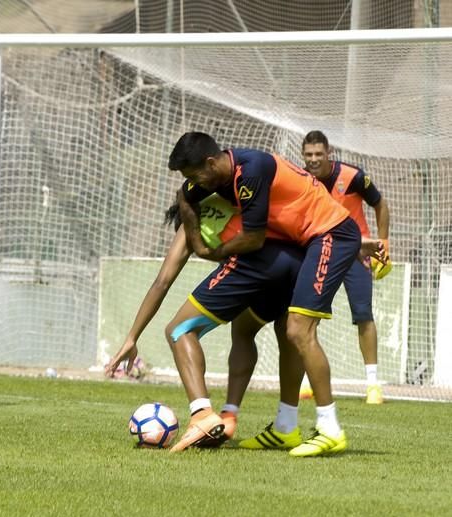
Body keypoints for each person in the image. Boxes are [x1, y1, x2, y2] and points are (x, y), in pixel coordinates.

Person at [170, 132, 384, 457]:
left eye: (196, 174)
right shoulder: (229, 174)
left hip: (332, 236)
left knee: (300, 329)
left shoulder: (251, 169)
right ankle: (286, 428)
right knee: (284, 330)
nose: (196, 183)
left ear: (211, 162)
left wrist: (211, 252)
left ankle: (330, 428)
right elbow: (185, 193)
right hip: (315, 242)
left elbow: (254, 238)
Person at [105, 195, 306, 448]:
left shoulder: (192, 219)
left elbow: (162, 282)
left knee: (179, 330)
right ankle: (240, 417)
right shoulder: (234, 199)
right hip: (294, 260)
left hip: (252, 265)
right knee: (250, 329)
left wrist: (132, 337)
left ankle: (202, 415)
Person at [301, 130, 391, 405]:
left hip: (356, 253)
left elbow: (380, 204)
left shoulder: (352, 176)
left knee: (363, 314)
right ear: (303, 156)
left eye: (319, 154)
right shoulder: (302, 179)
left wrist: (383, 243)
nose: (314, 159)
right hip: (320, 252)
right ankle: (308, 382)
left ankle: (373, 385)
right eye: (309, 154)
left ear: (330, 154)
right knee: (307, 314)